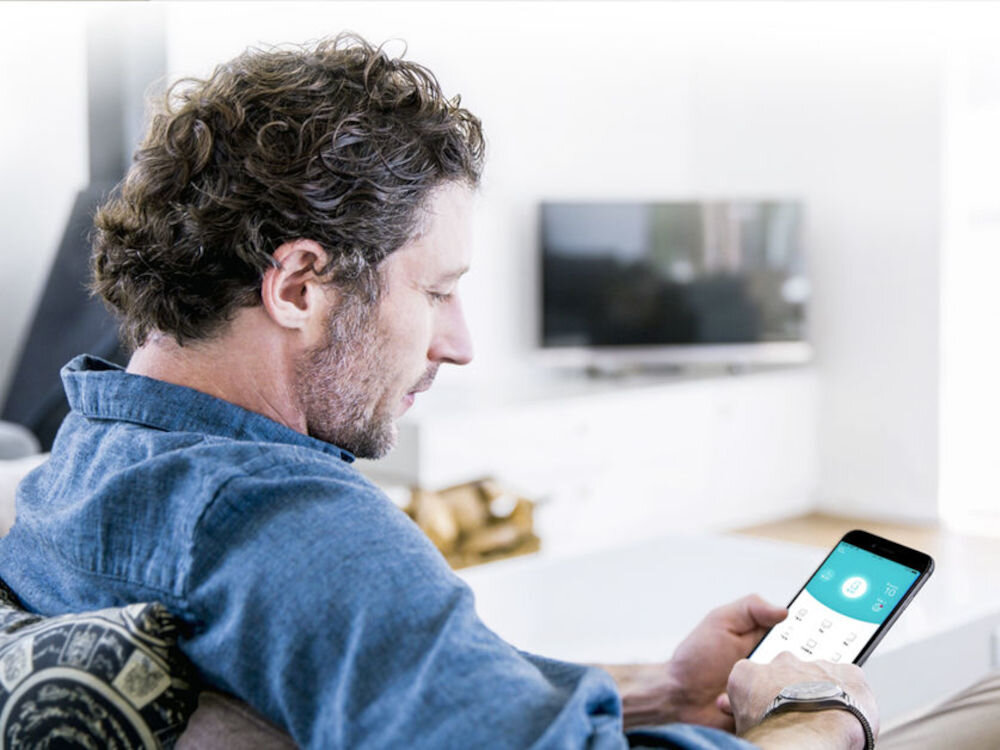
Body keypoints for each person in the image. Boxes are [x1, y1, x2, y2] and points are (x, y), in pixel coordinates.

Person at [0, 32, 993, 750]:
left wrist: (657, 690)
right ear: (299, 286)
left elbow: (386, 681)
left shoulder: (83, 458)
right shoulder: (297, 530)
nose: (462, 345)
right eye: (436, 293)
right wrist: (812, 712)